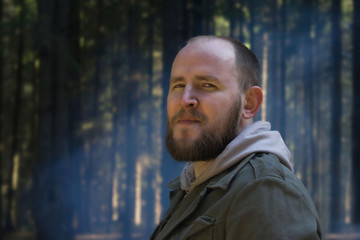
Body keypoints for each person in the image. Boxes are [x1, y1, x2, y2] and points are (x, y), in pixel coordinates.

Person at [150, 36, 322, 240]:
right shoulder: (195, 185)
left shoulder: (264, 190)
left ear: (249, 103)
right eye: (178, 86)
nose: (185, 99)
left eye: (207, 85)